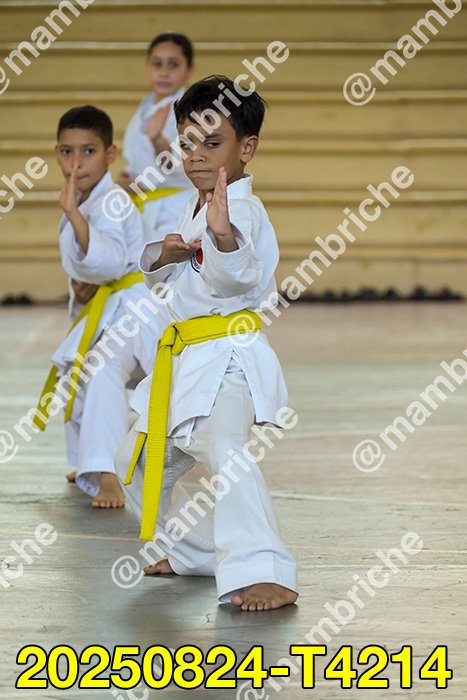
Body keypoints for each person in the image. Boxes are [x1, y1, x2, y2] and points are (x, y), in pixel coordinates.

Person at [116, 76, 298, 611]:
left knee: (226, 454)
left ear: (247, 148)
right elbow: (171, 281)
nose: (195, 155)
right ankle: (193, 553)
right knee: (137, 461)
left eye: (212, 143)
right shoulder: (195, 206)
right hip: (186, 360)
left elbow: (237, 278)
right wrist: (168, 252)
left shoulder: (242, 212)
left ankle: (268, 570)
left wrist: (221, 237)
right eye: (187, 142)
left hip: (228, 359)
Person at [34, 105, 168, 508]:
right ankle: (87, 461)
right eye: (67, 152)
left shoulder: (113, 200)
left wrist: (73, 215)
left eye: (88, 152)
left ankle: (108, 473)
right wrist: (82, 289)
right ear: (57, 154)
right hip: (109, 307)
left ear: (110, 155)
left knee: (102, 371)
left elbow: (107, 263)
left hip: (136, 312)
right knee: (80, 377)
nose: (76, 163)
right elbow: (88, 268)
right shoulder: (84, 198)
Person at [117, 32, 196, 243]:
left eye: (173, 65)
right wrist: (127, 176)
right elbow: (137, 154)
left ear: (189, 69)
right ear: (148, 66)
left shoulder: (191, 110)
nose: (164, 72)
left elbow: (179, 162)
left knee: (168, 260)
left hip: (173, 207)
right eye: (157, 64)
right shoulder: (148, 103)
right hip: (145, 203)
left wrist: (156, 139)